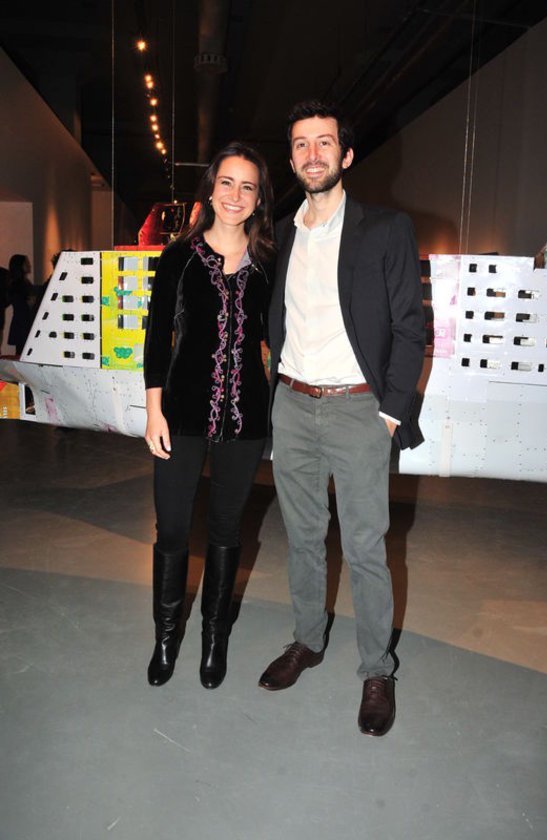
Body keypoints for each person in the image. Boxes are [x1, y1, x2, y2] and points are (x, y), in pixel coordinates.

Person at [258, 100, 425, 736]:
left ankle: (377, 670)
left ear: (346, 154)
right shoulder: (280, 234)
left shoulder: (385, 229)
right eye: (301, 144)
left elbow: (410, 327)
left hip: (359, 409)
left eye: (324, 142)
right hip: (293, 405)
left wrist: (389, 413)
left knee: (364, 547)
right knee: (302, 537)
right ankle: (308, 640)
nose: (313, 154)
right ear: (292, 158)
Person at [143, 141, 275, 690]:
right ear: (211, 189)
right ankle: (166, 637)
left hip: (245, 421)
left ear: (259, 198)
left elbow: (282, 335)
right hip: (181, 413)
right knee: (173, 526)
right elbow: (156, 337)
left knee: (225, 528)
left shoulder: (268, 264)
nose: (235, 195)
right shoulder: (179, 257)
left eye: (248, 186)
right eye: (227, 183)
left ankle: (214, 638)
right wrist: (154, 411)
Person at [7, 254, 35, 355]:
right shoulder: (19, 284)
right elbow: (23, 304)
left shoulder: (20, 283)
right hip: (23, 323)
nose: (29, 265)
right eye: (26, 263)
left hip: (21, 323)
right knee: (22, 352)